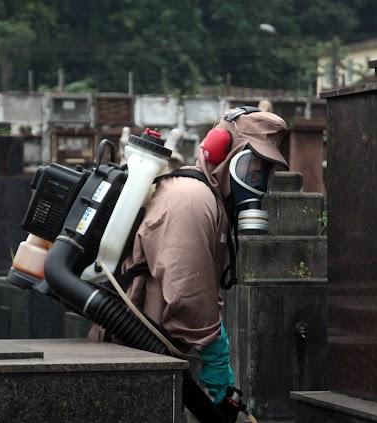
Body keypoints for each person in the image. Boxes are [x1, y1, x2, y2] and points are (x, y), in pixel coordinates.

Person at [91, 108, 289, 403]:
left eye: (264, 170)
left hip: (148, 353)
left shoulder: (211, 201)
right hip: (130, 352)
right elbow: (186, 291)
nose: (258, 179)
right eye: (252, 165)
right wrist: (215, 355)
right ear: (222, 150)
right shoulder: (191, 199)